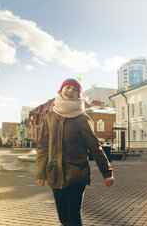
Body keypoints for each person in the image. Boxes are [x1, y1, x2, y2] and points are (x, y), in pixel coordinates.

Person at [36, 77, 115, 226]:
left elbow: (94, 146)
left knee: (73, 217)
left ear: (79, 96)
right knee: (63, 218)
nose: (70, 91)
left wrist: (107, 172)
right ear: (61, 90)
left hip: (77, 173)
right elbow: (42, 147)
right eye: (68, 87)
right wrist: (40, 173)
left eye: (75, 90)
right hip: (55, 173)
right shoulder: (50, 117)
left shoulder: (82, 119)